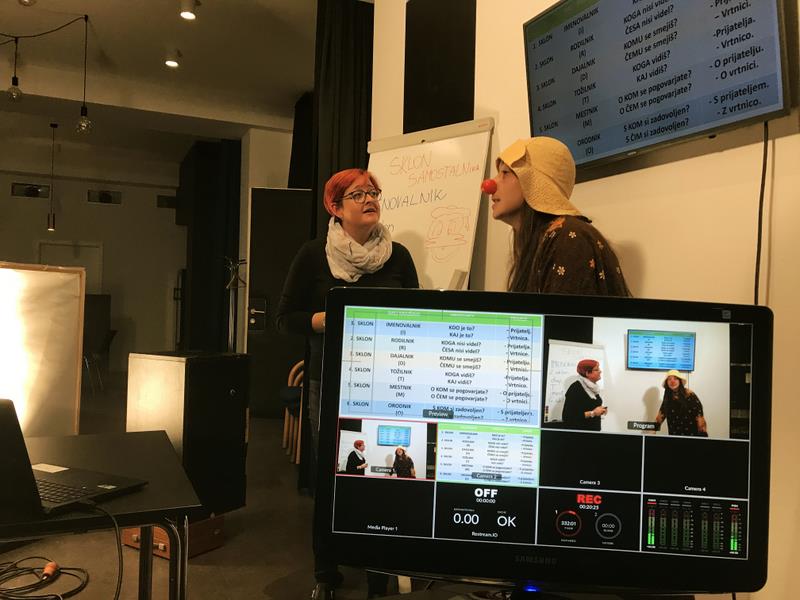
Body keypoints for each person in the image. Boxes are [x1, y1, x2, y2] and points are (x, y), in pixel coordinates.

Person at [276, 168, 418, 600]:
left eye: (374, 192)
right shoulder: (313, 255)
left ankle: (378, 576)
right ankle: (326, 572)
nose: (370, 199)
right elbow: (285, 319)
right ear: (335, 207)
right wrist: (326, 319)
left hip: (387, 386)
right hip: (329, 381)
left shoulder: (398, 256)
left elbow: (417, 316)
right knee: (330, 479)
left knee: (382, 480)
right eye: (358, 194)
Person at [487, 136, 630, 296]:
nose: (490, 185)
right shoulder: (541, 240)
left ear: (533, 183)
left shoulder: (570, 238)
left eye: (505, 172)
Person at [655, 370, 708, 436]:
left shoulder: (689, 394)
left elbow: (699, 414)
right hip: (674, 436)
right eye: (669, 379)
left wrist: (702, 433)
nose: (672, 381)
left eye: (675, 378)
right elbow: (661, 415)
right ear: (667, 383)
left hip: (692, 435)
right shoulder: (667, 397)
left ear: (680, 381)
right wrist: (653, 430)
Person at [562, 359, 607, 431]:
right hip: (580, 434)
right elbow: (568, 417)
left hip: (593, 432)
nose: (600, 371)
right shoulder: (575, 388)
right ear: (587, 373)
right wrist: (593, 413)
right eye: (596, 369)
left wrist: (600, 410)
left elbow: (589, 406)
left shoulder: (592, 387)